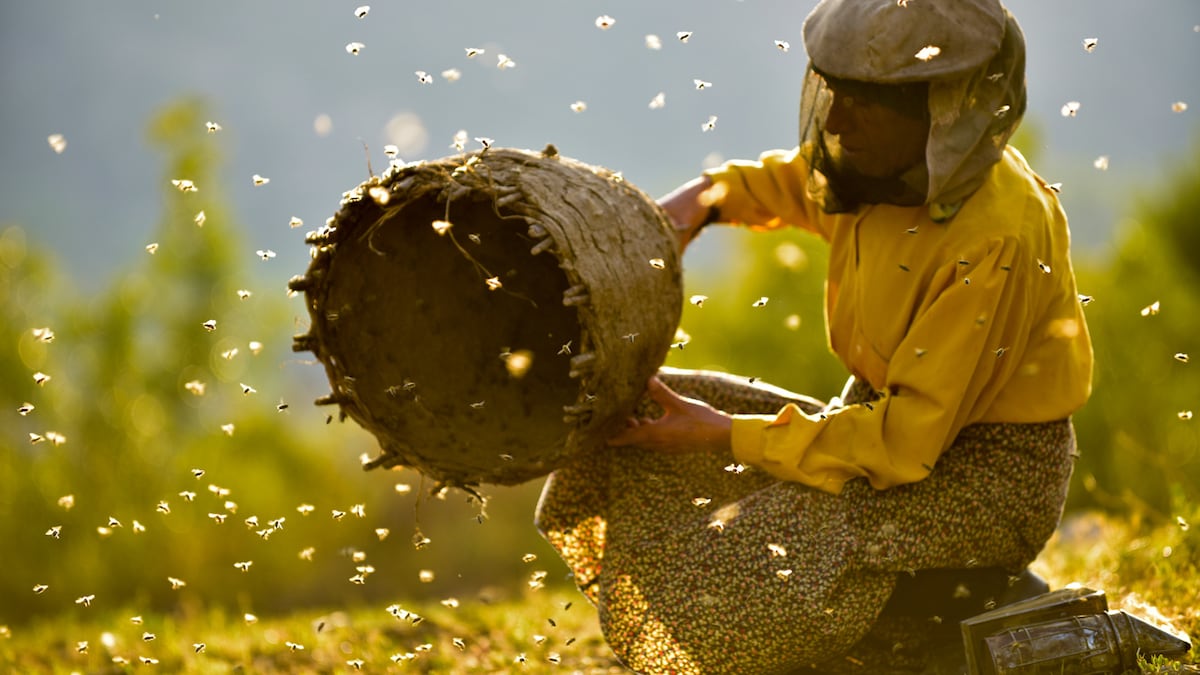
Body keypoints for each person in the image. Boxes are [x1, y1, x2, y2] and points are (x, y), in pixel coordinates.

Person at [536, 0, 1094, 672]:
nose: (834, 119)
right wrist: (699, 204)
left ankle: (945, 607)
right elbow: (791, 184)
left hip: (984, 482)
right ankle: (912, 609)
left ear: (940, 106)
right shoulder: (881, 169)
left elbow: (901, 443)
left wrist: (721, 433)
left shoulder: (996, 235)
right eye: (835, 91)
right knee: (648, 420)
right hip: (886, 433)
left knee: (755, 544)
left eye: (864, 101)